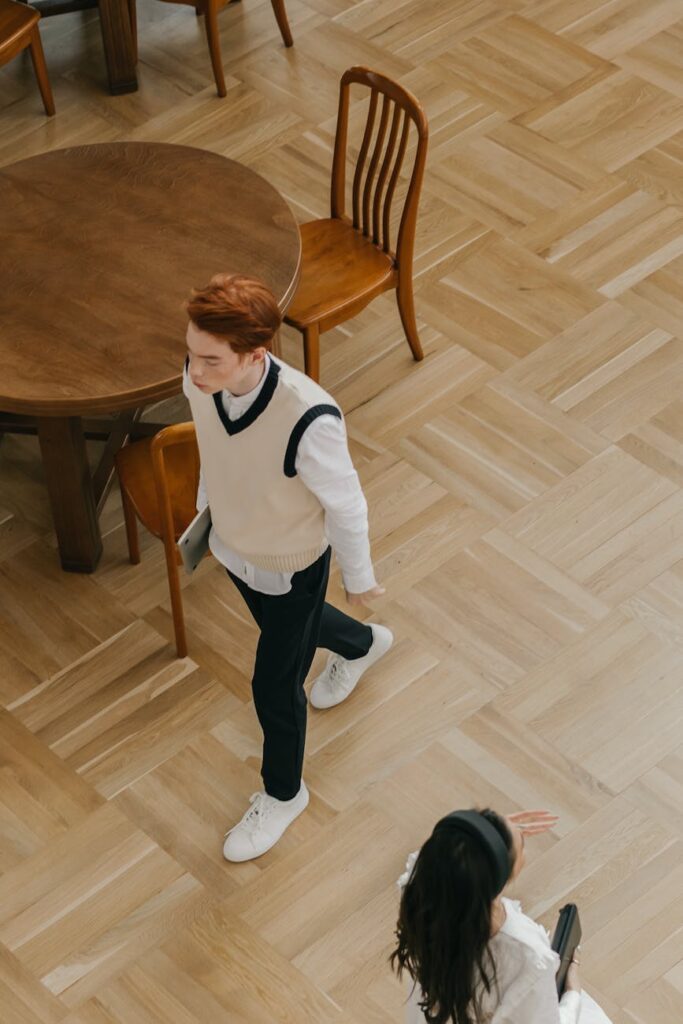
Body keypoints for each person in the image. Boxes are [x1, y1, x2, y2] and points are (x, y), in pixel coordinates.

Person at [182, 273, 393, 862]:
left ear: (257, 354)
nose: (195, 373)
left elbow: (347, 506)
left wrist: (359, 577)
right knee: (289, 627)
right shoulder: (202, 379)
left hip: (293, 564)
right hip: (234, 547)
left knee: (274, 685)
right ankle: (363, 644)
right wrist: (209, 511)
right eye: (191, 353)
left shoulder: (309, 418)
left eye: (211, 361)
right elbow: (212, 442)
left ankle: (283, 793)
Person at [392, 808, 613, 1024]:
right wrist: (572, 995)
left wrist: (479, 837)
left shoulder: (420, 890)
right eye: (522, 846)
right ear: (509, 872)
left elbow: (436, 858)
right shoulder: (529, 958)